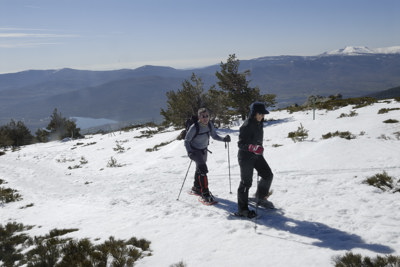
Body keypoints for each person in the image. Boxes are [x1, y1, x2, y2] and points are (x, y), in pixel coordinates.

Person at [184, 108, 231, 203]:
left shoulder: (209, 124)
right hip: (195, 150)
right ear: (199, 117)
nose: (205, 118)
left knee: (200, 168)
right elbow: (187, 141)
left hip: (204, 150)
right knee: (203, 169)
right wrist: (189, 152)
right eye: (203, 116)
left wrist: (224, 139)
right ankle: (204, 193)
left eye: (207, 116)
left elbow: (214, 136)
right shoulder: (194, 127)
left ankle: (196, 187)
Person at [236, 102, 274, 218]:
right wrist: (252, 147)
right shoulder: (246, 125)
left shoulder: (259, 123)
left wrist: (259, 148)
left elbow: (257, 140)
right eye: (260, 114)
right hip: (246, 157)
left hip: (256, 155)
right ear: (254, 113)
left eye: (263, 114)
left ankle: (260, 198)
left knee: (267, 175)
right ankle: (242, 210)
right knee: (246, 183)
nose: (262, 116)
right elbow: (240, 144)